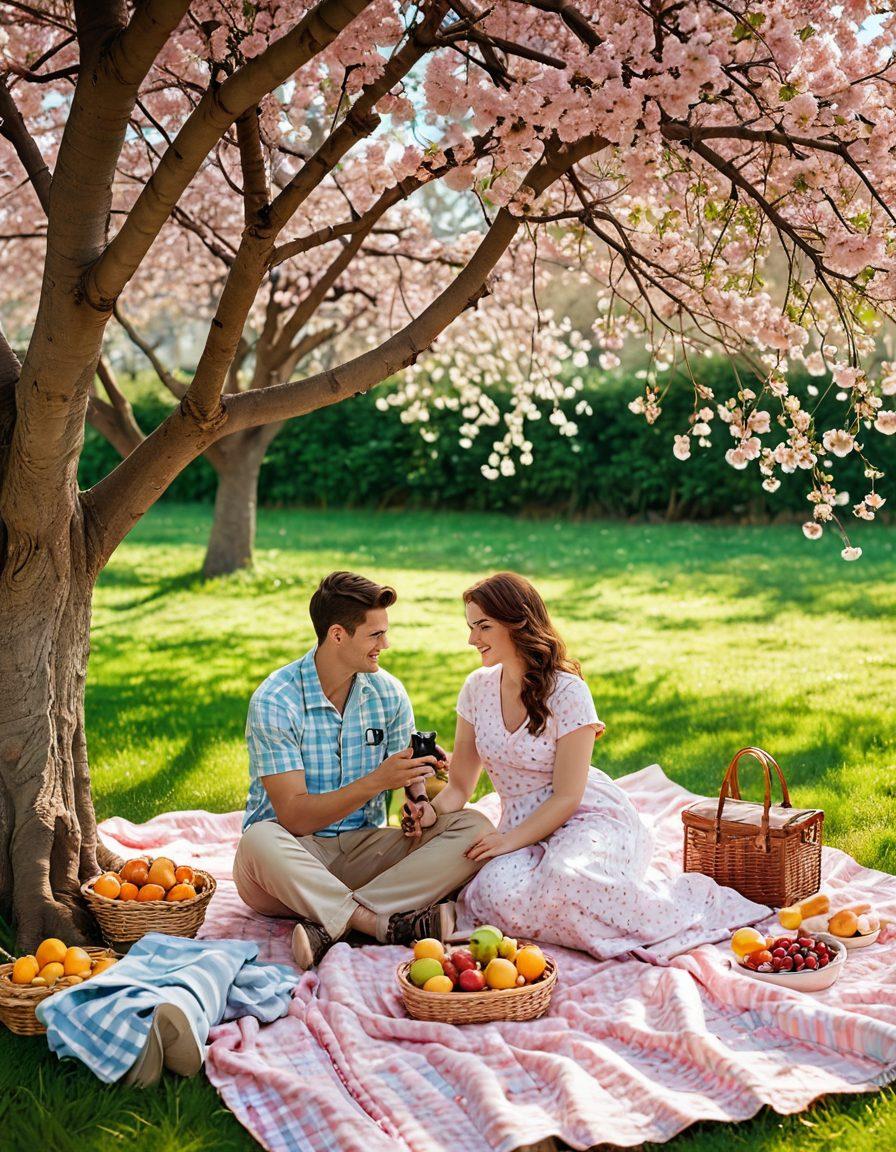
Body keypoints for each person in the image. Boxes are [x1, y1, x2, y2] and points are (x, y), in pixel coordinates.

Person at [401, 572, 767, 961]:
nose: (473, 639)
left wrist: (508, 842)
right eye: (471, 627)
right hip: (519, 824)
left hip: (585, 817)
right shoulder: (476, 688)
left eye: (483, 627)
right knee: (491, 893)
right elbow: (459, 786)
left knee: (568, 879)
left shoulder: (568, 691)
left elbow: (568, 796)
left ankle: (686, 906)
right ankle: (584, 920)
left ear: (518, 622)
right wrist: (428, 813)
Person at [232, 571, 494, 970]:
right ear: (338, 635)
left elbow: (412, 782)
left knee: (475, 829)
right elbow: (295, 816)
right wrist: (378, 781)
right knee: (257, 840)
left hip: (364, 850)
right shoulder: (276, 701)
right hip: (288, 862)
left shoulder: (387, 693)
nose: (385, 644)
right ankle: (382, 921)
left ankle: (335, 926)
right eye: (375, 635)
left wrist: (418, 800)